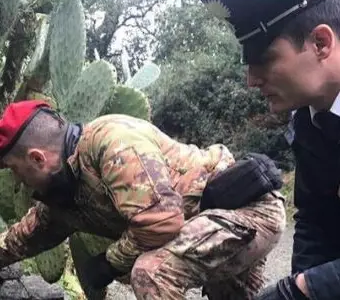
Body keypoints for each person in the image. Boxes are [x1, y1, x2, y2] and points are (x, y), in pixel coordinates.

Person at [0, 100, 285, 299]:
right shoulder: (63, 191)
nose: (15, 180)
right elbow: (23, 239)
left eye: (14, 169)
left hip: (245, 212)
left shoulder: (110, 141)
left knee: (152, 272)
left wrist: (109, 263)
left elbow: (160, 222)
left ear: (37, 158)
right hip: (202, 232)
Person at [197, 0, 340, 299]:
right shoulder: (309, 122)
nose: (251, 80)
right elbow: (314, 219)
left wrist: (302, 290)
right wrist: (302, 283)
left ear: (321, 43)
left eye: (265, 59)